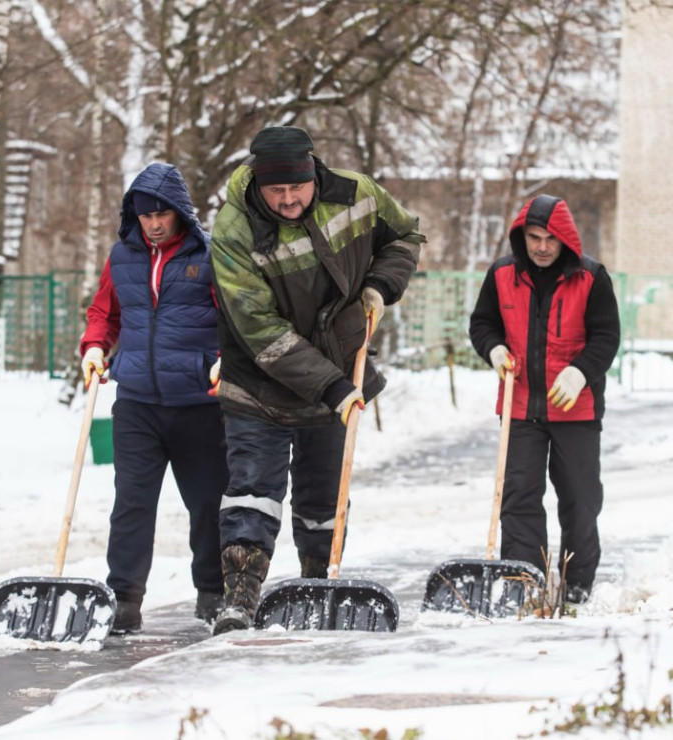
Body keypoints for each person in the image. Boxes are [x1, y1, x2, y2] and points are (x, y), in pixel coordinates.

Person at [207, 125, 424, 634]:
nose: (287, 200)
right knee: (253, 491)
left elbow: (407, 234)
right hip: (259, 382)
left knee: (324, 496)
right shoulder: (234, 231)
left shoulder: (356, 194)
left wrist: (380, 286)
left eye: (296, 189)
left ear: (314, 175)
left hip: (338, 368)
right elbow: (259, 329)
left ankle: (317, 583)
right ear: (257, 184)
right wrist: (331, 386)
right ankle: (239, 599)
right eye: (275, 191)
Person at [80, 162, 229, 634]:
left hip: (199, 402)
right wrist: (95, 347)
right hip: (138, 402)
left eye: (163, 213)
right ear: (135, 216)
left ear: (181, 213)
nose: (155, 223)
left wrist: (227, 360)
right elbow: (105, 310)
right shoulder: (122, 256)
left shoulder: (209, 256)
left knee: (207, 503)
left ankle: (212, 592)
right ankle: (124, 599)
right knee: (132, 502)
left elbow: (235, 318)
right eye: (146, 215)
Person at [469, 193, 620, 607]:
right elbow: (483, 324)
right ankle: (524, 582)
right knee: (518, 497)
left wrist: (580, 371)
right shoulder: (502, 274)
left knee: (580, 498)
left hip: (576, 408)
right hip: (520, 407)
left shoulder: (591, 278)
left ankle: (575, 586)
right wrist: (494, 349)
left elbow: (607, 337)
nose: (541, 247)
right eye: (534, 238)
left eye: (550, 240)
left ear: (565, 240)